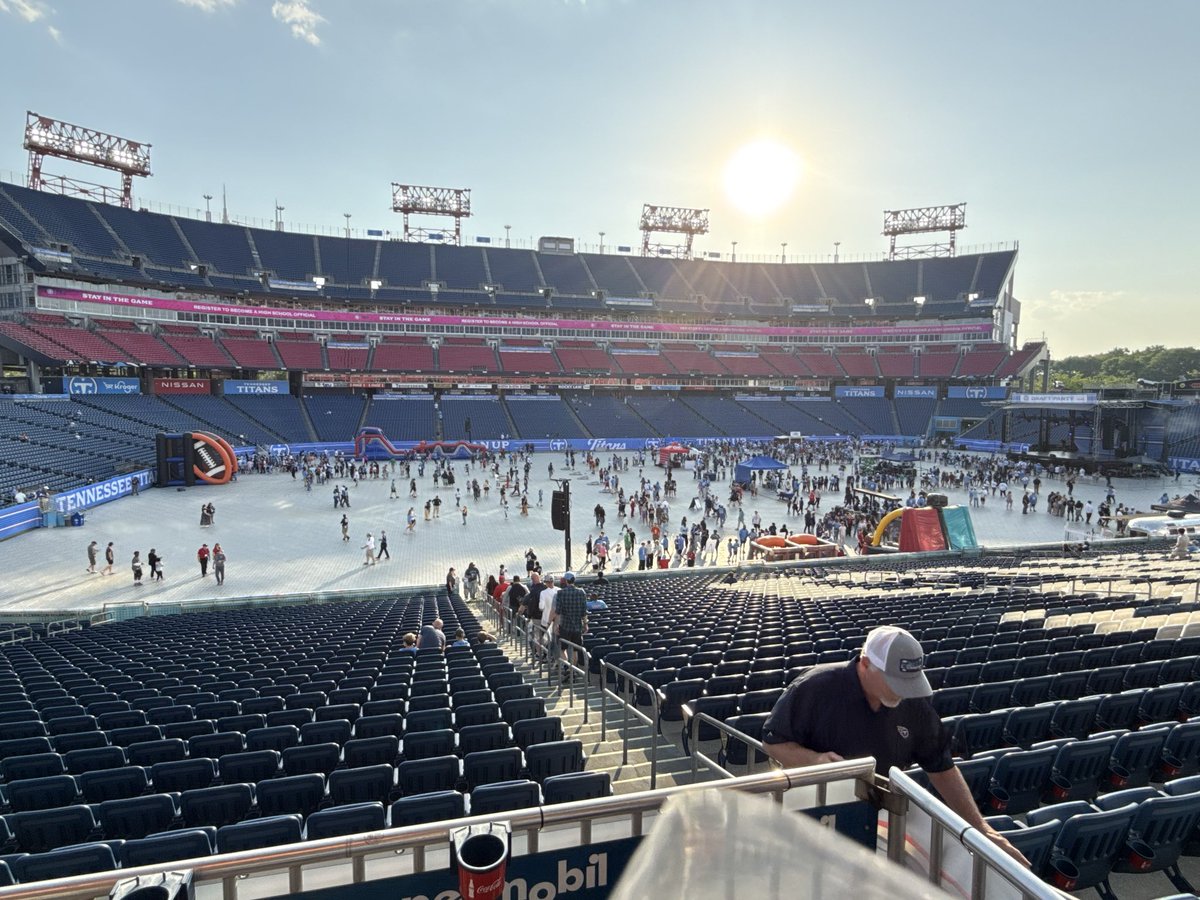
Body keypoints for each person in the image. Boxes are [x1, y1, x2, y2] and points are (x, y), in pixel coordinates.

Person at [762, 625, 1028, 866]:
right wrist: (815, 761)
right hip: (817, 810)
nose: (901, 691)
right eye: (894, 682)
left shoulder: (911, 701)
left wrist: (981, 830)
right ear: (865, 664)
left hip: (878, 818)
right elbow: (774, 742)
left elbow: (940, 765)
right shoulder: (815, 688)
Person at [550, 571, 588, 670]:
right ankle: (573, 670)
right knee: (575, 650)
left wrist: (555, 625)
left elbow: (558, 611)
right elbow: (584, 611)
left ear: (566, 581)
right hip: (577, 626)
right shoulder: (581, 592)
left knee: (562, 648)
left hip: (565, 626)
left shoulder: (560, 593)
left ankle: (567, 666)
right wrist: (586, 624)